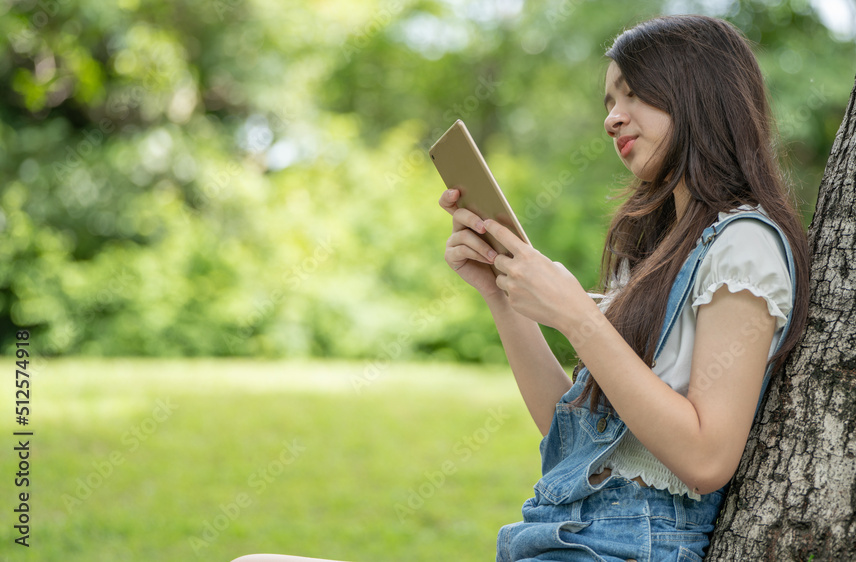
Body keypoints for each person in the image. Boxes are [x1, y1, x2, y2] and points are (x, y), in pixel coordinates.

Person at [231, 13, 809, 562]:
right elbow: (574, 437)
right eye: (609, 101)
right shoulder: (655, 254)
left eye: (634, 93)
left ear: (700, 94)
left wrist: (578, 319)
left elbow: (708, 457)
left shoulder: (744, 246)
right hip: (561, 539)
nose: (611, 117)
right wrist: (502, 296)